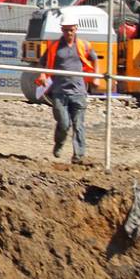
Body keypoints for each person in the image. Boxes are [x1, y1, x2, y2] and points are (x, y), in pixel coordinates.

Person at [34, 9, 100, 164]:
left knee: (78, 125)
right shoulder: (55, 46)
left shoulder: (84, 45)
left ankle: (79, 155)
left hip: (78, 91)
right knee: (64, 123)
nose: (69, 33)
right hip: (59, 92)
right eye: (66, 30)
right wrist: (43, 75)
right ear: (61, 30)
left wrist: (96, 77)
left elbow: (95, 59)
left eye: (71, 30)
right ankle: (59, 143)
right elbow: (42, 63)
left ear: (76, 29)